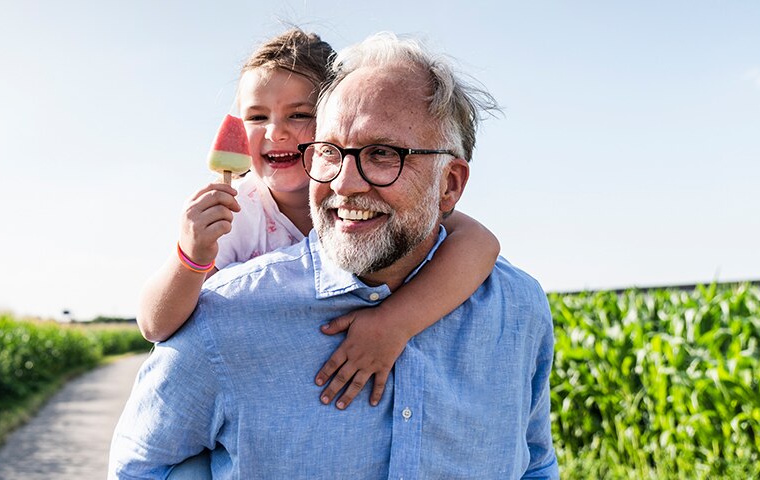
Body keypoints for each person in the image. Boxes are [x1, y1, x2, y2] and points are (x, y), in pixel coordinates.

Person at [110, 32, 558, 479]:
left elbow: (535, 463)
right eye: (330, 152)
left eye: (382, 154)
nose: (345, 183)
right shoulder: (225, 304)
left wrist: (395, 321)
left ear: (451, 185)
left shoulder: (518, 309)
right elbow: (140, 461)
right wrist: (190, 257)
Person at [137, 28, 501, 410]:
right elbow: (154, 324)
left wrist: (395, 323)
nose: (276, 132)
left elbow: (480, 244)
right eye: (256, 116)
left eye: (299, 115)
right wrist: (191, 256)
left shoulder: (371, 199)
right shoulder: (235, 211)